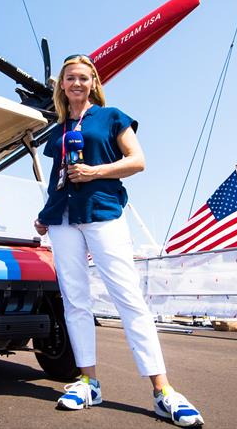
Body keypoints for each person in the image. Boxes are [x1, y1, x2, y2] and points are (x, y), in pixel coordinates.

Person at [34, 55, 204, 427]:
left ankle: (163, 391)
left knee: (129, 298)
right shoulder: (59, 129)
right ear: (61, 85)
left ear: (92, 82)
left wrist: (95, 171)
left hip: (102, 213)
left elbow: (137, 160)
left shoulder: (112, 117)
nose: (76, 83)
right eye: (69, 78)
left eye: (83, 77)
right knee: (75, 301)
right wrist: (46, 215)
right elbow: (57, 177)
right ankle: (87, 381)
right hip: (62, 220)